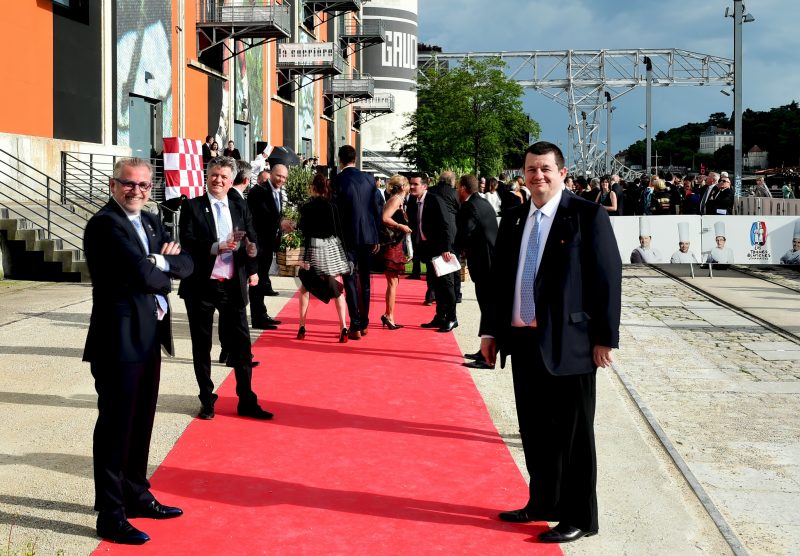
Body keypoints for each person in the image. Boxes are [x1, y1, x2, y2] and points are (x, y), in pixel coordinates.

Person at [480, 141, 621, 544]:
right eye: (530, 170)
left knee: (574, 436)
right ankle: (542, 502)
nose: (537, 176)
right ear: (522, 175)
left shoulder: (587, 215)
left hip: (572, 344)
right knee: (535, 431)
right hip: (523, 341)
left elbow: (607, 280)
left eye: (545, 169)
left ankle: (580, 516)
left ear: (562, 172)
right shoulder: (514, 218)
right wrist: (491, 332)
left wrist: (604, 339)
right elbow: (500, 280)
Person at [83, 158, 193, 545]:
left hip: (148, 337)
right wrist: (162, 268)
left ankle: (136, 495)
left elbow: (187, 263)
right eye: (129, 185)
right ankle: (111, 515)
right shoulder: (105, 225)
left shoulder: (149, 222)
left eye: (145, 186)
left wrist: (160, 260)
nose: (137, 191)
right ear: (114, 185)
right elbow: (142, 275)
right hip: (118, 340)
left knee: (141, 421)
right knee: (115, 428)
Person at [178, 156, 273, 421]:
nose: (218, 180)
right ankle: (207, 399)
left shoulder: (238, 205)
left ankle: (247, 399)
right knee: (202, 345)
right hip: (201, 286)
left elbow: (251, 236)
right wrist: (216, 246)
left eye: (223, 177)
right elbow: (186, 241)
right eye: (213, 175)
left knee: (243, 345)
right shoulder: (193, 207)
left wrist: (253, 264)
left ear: (232, 181)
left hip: (232, 286)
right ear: (206, 177)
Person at [332, 145, 382, 340]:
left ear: (340, 159)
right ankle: (365, 322)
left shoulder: (337, 180)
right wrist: (377, 235)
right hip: (369, 236)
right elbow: (377, 208)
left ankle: (355, 324)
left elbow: (335, 211)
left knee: (350, 280)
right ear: (355, 159)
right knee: (365, 280)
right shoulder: (370, 179)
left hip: (348, 238)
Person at [296, 174, 350, 342]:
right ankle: (343, 327)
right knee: (337, 288)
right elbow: (339, 231)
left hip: (312, 248)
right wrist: (345, 255)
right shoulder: (332, 207)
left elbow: (304, 231)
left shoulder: (306, 207)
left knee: (305, 287)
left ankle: (302, 327)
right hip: (331, 249)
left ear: (313, 187)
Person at [455, 174, 498, 370]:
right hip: (490, 261)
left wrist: (453, 248)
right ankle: (484, 349)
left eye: (458, 187)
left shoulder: (471, 206)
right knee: (487, 307)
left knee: (488, 307)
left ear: (463, 188)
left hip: (485, 263)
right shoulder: (483, 202)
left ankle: (486, 355)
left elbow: (466, 231)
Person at [411, 172, 458, 333]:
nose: (411, 187)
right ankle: (440, 316)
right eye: (411, 184)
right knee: (435, 284)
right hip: (427, 249)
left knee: (446, 285)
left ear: (424, 186)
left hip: (441, 249)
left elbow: (446, 225)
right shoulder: (413, 200)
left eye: (415, 184)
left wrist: (446, 248)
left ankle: (452, 318)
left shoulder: (434, 200)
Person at [247, 165, 286, 328]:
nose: (281, 180)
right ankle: (258, 317)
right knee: (257, 281)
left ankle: (261, 313)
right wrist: (280, 222)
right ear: (271, 174)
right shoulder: (259, 191)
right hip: (258, 244)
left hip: (269, 243)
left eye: (284, 177)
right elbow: (261, 215)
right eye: (278, 176)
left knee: (262, 280)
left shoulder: (277, 192)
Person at [379, 175, 413, 329]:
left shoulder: (397, 200)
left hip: (395, 245)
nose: (411, 187)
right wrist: (401, 226)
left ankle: (389, 314)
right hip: (391, 246)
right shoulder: (396, 200)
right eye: (408, 185)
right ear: (403, 187)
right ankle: (389, 316)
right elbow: (384, 218)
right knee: (393, 282)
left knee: (394, 282)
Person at [429, 171, 462, 303]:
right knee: (454, 263)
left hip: (433, 231)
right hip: (452, 231)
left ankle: (432, 294)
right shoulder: (455, 193)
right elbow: (460, 211)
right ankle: (456, 294)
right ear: (451, 181)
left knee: (433, 264)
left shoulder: (431, 191)